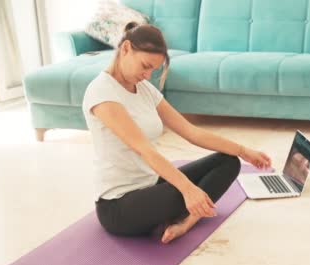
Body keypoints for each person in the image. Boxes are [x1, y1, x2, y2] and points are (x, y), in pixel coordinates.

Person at [82, 22, 272, 244]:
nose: (147, 75)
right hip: (118, 206)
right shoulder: (102, 93)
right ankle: (184, 211)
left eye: (153, 70)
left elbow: (190, 131)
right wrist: (188, 190)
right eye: (145, 66)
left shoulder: (143, 88)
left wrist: (243, 151)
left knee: (228, 161)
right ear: (125, 49)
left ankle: (187, 222)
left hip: (151, 185)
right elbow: (144, 150)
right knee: (188, 190)